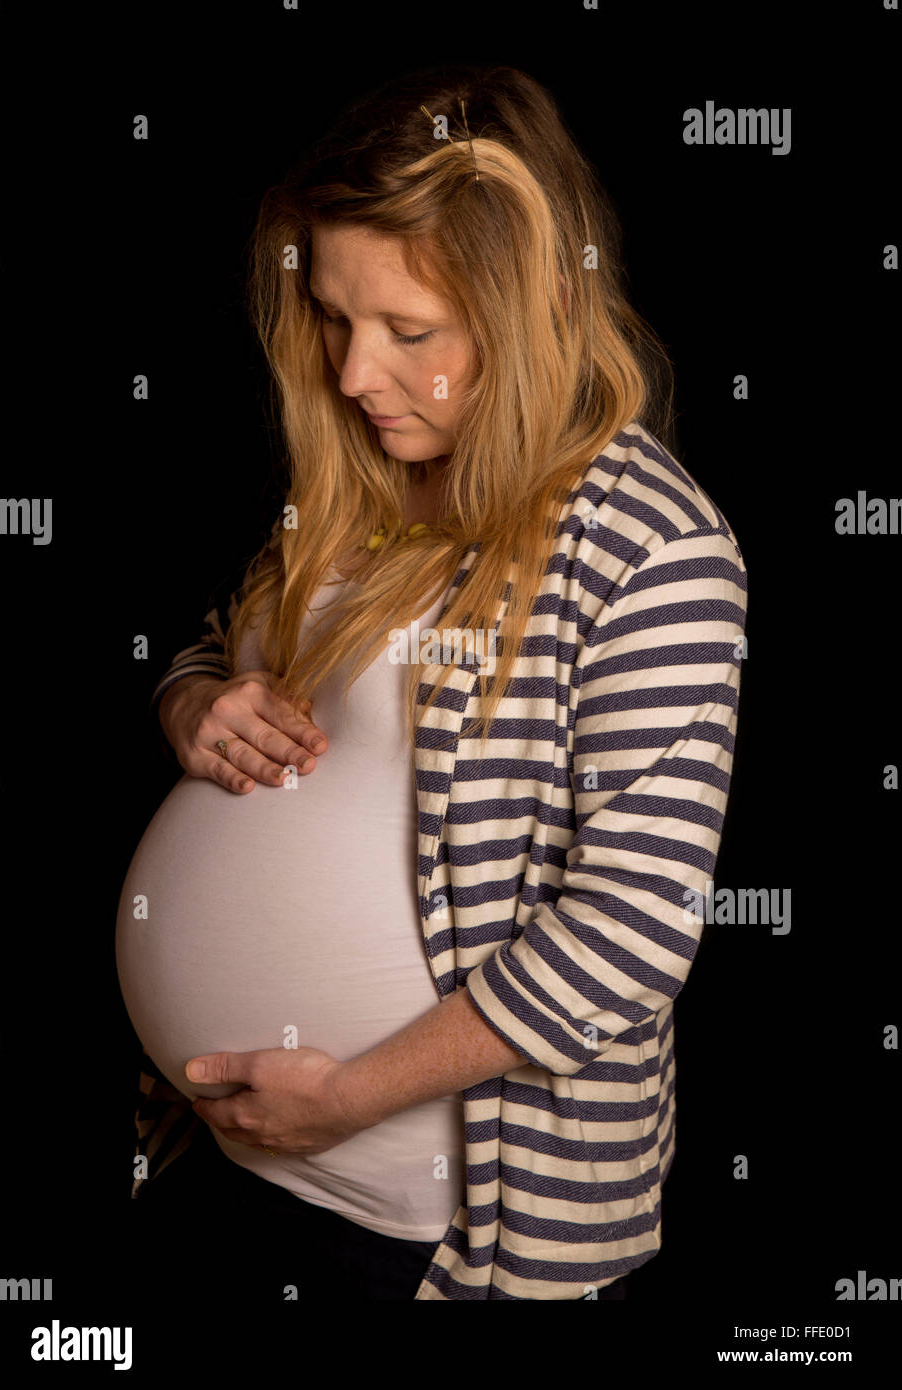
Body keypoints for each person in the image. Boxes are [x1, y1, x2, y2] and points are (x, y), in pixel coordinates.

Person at [125, 63, 747, 1302]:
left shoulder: (650, 548)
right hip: (224, 1153)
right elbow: (213, 645)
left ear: (527, 314)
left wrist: (343, 1097)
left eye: (410, 331)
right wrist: (193, 703)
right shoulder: (355, 486)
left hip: (426, 1220)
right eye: (338, 319)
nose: (355, 375)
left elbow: (630, 930)